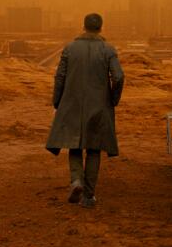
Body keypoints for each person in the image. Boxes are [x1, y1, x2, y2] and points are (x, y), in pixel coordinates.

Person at [46, 13, 124, 208]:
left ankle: (76, 181)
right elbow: (119, 77)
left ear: (84, 26)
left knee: (74, 145)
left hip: (72, 103)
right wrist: (112, 100)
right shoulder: (108, 49)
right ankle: (88, 196)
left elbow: (59, 77)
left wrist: (57, 101)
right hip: (99, 105)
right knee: (94, 148)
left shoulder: (70, 48)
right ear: (101, 28)